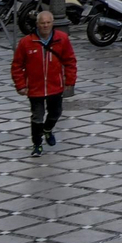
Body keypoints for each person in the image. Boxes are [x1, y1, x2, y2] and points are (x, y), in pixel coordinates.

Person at [10, 10, 77, 156]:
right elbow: (17, 65)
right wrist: (20, 85)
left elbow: (70, 61)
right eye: (42, 23)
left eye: (48, 23)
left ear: (52, 23)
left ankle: (47, 129)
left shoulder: (62, 39)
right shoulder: (26, 42)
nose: (45, 26)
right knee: (37, 116)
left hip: (55, 86)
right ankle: (37, 144)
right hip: (35, 87)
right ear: (37, 24)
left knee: (56, 113)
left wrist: (70, 80)